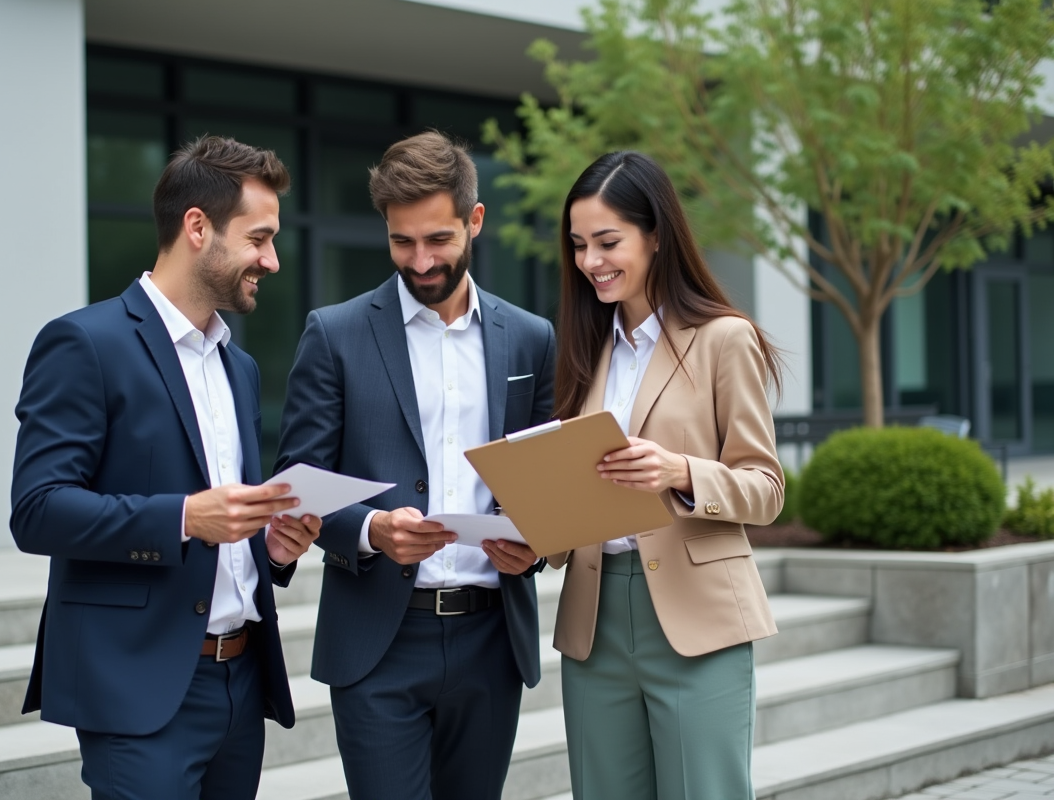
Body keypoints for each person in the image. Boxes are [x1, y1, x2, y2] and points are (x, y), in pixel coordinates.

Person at [10, 136, 321, 800]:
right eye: (259, 238)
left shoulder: (239, 367)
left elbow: (227, 539)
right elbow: (37, 510)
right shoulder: (84, 343)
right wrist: (185, 516)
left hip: (242, 682)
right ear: (197, 227)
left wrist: (272, 546)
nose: (271, 258)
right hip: (139, 689)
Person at [275, 131, 555, 800]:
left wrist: (535, 543)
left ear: (475, 221)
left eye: (438, 240)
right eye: (403, 242)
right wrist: (371, 530)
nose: (421, 260)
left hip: (493, 638)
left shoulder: (531, 337)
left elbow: (545, 482)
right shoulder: (334, 332)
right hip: (379, 640)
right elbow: (295, 483)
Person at [549, 150, 784, 800]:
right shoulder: (584, 349)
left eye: (607, 242)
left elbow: (765, 488)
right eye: (578, 245)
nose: (590, 261)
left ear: (655, 235)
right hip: (596, 625)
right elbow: (577, 495)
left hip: (696, 621)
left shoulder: (722, 339)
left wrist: (678, 470)